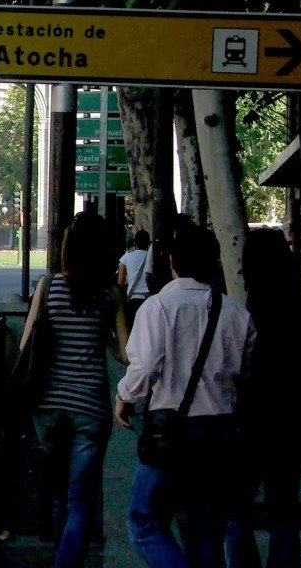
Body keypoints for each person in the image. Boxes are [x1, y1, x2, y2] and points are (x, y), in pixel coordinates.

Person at [115, 219, 256, 568]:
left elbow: (144, 366)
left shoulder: (158, 308)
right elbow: (244, 369)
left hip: (172, 430)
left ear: (173, 262)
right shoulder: (236, 312)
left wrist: (124, 397)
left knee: (144, 522)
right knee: (205, 529)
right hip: (221, 430)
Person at [18, 210, 129, 568]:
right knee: (82, 497)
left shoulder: (47, 287)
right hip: (91, 409)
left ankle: (58, 553)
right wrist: (104, 340)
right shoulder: (109, 295)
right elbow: (127, 353)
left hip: (47, 404)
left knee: (58, 488)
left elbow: (25, 346)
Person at [225, 227, 301, 568]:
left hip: (251, 421)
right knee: (283, 511)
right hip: (295, 421)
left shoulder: (245, 314)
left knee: (235, 511)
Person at [117, 228, 152, 331]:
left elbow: (121, 282)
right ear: (148, 242)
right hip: (149, 300)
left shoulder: (126, 257)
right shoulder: (151, 257)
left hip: (132, 300)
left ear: (135, 242)